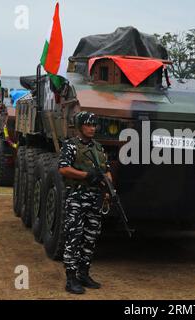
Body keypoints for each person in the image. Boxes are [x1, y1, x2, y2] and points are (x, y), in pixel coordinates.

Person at [58, 111, 112, 294]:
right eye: (88, 125)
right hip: (77, 197)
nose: (92, 128)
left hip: (95, 198)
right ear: (80, 126)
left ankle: (84, 273)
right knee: (74, 237)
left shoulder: (98, 148)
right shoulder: (70, 146)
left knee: (90, 238)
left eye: (94, 125)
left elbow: (107, 170)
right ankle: (71, 278)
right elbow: (64, 169)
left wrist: (108, 190)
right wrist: (87, 176)